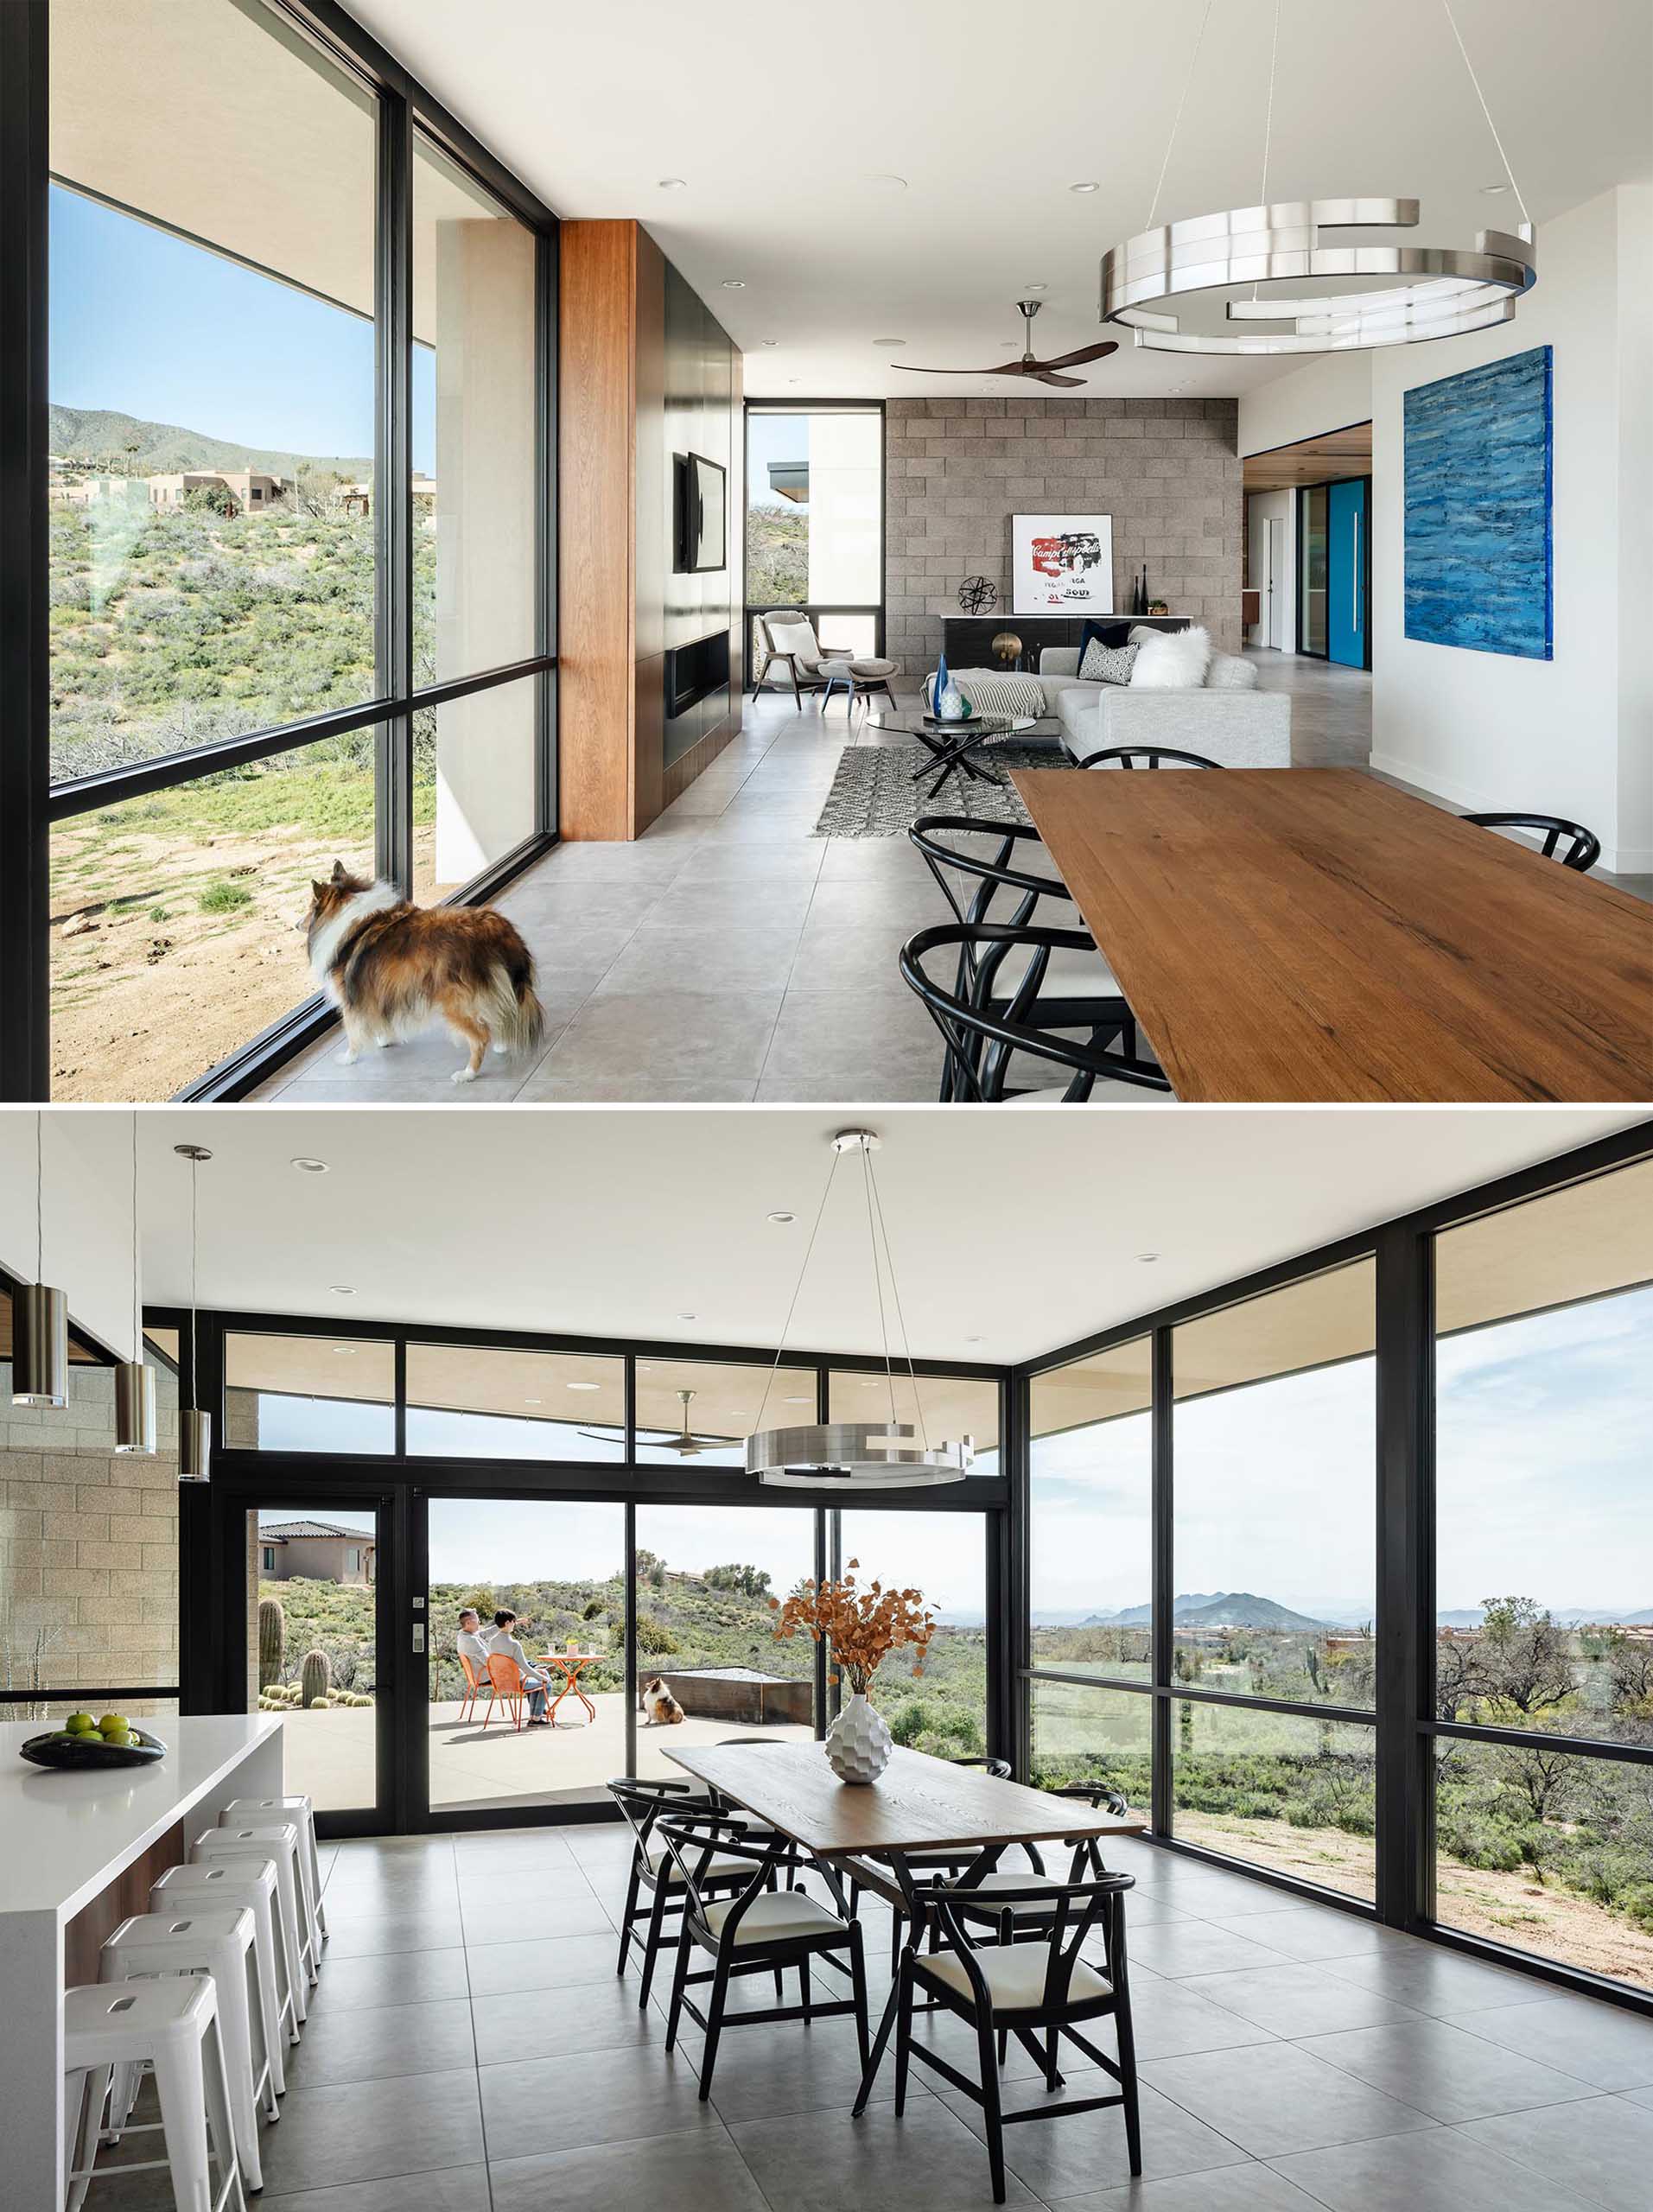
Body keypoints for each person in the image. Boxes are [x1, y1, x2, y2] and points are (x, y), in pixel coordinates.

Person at [490, 1608, 550, 1726]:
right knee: (547, 1684)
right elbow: (525, 1668)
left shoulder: (492, 1641)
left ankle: (534, 1716)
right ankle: (536, 1718)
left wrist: (540, 1675)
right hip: (517, 1682)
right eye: (513, 1622)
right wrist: (543, 1679)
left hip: (500, 1682)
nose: (514, 1624)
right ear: (507, 1623)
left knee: (542, 1674)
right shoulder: (514, 1644)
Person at [456, 1607, 492, 1684]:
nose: (479, 1622)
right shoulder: (471, 1640)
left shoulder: (463, 1635)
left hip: (479, 1676)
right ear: (468, 1623)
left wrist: (507, 1624)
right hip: (485, 1677)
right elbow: (489, 1663)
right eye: (477, 1620)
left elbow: (485, 1633)